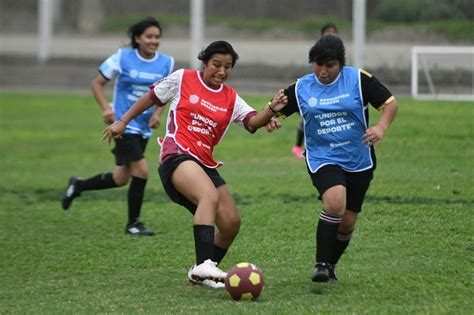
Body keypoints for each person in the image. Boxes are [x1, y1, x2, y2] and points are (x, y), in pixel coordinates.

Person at [103, 40, 287, 288]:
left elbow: (253, 122)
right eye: (216, 65)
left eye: (228, 66)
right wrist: (123, 121)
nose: (222, 71)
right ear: (204, 62)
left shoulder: (230, 97)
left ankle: (201, 273)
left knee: (231, 223)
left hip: (205, 164)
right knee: (208, 196)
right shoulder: (183, 78)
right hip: (176, 155)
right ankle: (204, 264)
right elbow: (150, 98)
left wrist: (271, 110)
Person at [276, 35, 398, 282]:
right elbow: (276, 108)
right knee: (335, 202)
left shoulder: (358, 79)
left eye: (329, 65)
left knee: (347, 221)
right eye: (317, 64)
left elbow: (389, 103)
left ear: (340, 64)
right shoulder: (302, 86)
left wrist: (381, 128)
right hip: (323, 156)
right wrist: (270, 117)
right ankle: (320, 264)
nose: (322, 71)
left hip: (358, 157)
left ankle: (330, 266)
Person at [61, 17, 175, 236]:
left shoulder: (166, 63)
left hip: (143, 128)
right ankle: (133, 223)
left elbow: (166, 92)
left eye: (157, 37)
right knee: (141, 171)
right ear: (137, 38)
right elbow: (97, 84)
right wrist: (106, 109)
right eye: (149, 36)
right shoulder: (122, 58)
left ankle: (78, 185)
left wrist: (158, 114)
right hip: (123, 126)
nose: (154, 41)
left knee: (120, 178)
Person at [292, 23, 338, 158]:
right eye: (328, 32)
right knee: (310, 116)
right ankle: (297, 147)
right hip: (316, 90)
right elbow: (311, 69)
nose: (331, 35)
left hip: (330, 89)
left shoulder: (337, 52)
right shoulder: (317, 51)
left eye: (334, 32)